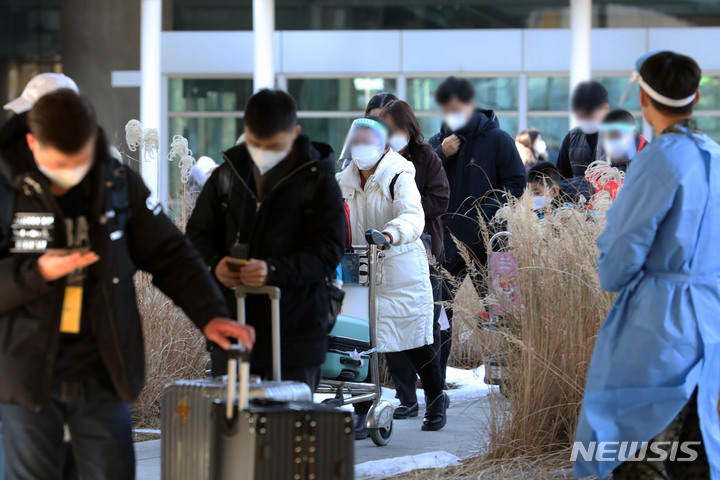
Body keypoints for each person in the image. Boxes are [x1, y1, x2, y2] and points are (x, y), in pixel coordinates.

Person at [0, 90, 254, 480]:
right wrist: (38, 273)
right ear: (33, 143)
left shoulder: (116, 182)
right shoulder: (6, 189)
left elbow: (172, 254)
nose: (72, 171)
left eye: (79, 160)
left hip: (103, 369)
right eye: (60, 163)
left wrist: (211, 315)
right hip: (27, 372)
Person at [574, 51, 720, 480]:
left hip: (659, 323)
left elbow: (619, 259)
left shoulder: (659, 158)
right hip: (710, 319)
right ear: (694, 98)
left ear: (644, 98)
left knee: (630, 446)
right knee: (694, 446)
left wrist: (613, 269)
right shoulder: (714, 155)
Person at [187, 89, 347, 392]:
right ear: (245, 133)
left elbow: (329, 251)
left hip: (296, 334)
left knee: (289, 432)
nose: (264, 152)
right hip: (234, 328)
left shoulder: (319, 181)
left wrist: (273, 270)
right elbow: (197, 235)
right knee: (233, 433)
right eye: (255, 144)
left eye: (274, 145)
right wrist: (214, 264)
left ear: (295, 133)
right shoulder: (226, 177)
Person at [337, 116, 449, 435]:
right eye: (356, 142)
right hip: (355, 266)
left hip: (398, 265)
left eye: (367, 142)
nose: (361, 149)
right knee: (357, 341)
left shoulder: (398, 173)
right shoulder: (342, 180)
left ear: (383, 145)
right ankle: (363, 409)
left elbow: (413, 215)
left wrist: (390, 233)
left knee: (414, 339)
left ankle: (436, 399)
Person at [1, 72, 83, 480]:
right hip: (21, 363)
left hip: (84, 367)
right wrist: (38, 272)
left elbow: (166, 252)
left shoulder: (104, 179)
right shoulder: (9, 180)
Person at [427, 76, 526, 382]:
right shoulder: (437, 143)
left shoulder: (498, 140)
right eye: (447, 108)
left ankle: (508, 377)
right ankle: (435, 380)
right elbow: (419, 179)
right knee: (439, 315)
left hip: (491, 243)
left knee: (503, 313)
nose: (452, 113)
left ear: (470, 105)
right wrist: (442, 153)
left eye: (458, 107)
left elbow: (516, 183)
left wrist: (485, 211)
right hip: (446, 244)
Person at [378, 99, 450, 419]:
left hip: (423, 253)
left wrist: (408, 212)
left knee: (424, 327)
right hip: (386, 252)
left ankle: (435, 394)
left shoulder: (426, 157)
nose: (390, 134)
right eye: (386, 128)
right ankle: (406, 397)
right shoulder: (377, 159)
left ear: (409, 128)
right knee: (392, 324)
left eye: (395, 128)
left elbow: (440, 199)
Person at [556, 80, 610, 179]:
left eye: (590, 114)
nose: (586, 119)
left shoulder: (620, 138)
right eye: (582, 114)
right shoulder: (571, 138)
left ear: (605, 109)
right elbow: (561, 181)